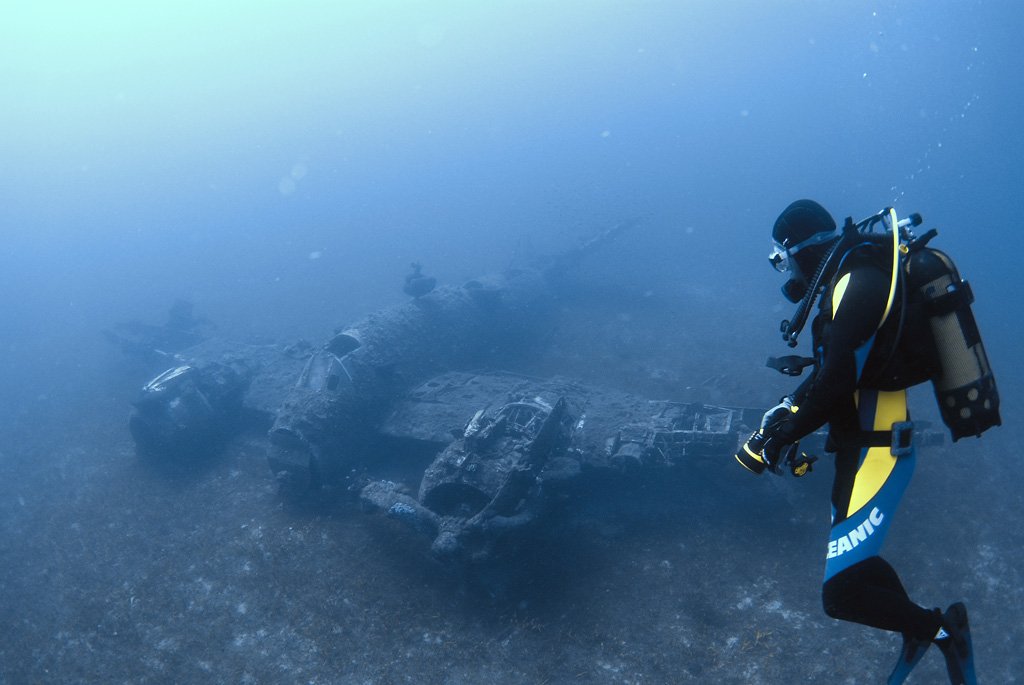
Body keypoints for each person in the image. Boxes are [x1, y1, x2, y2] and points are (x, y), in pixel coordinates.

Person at [737, 199, 977, 684]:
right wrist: (783, 419)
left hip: (879, 453)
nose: (785, 274)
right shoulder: (849, 280)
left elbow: (837, 380)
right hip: (863, 447)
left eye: (781, 260)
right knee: (857, 565)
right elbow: (838, 371)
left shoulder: (857, 282)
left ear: (800, 250)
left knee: (841, 596)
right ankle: (921, 630)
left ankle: (941, 633)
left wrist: (783, 433)